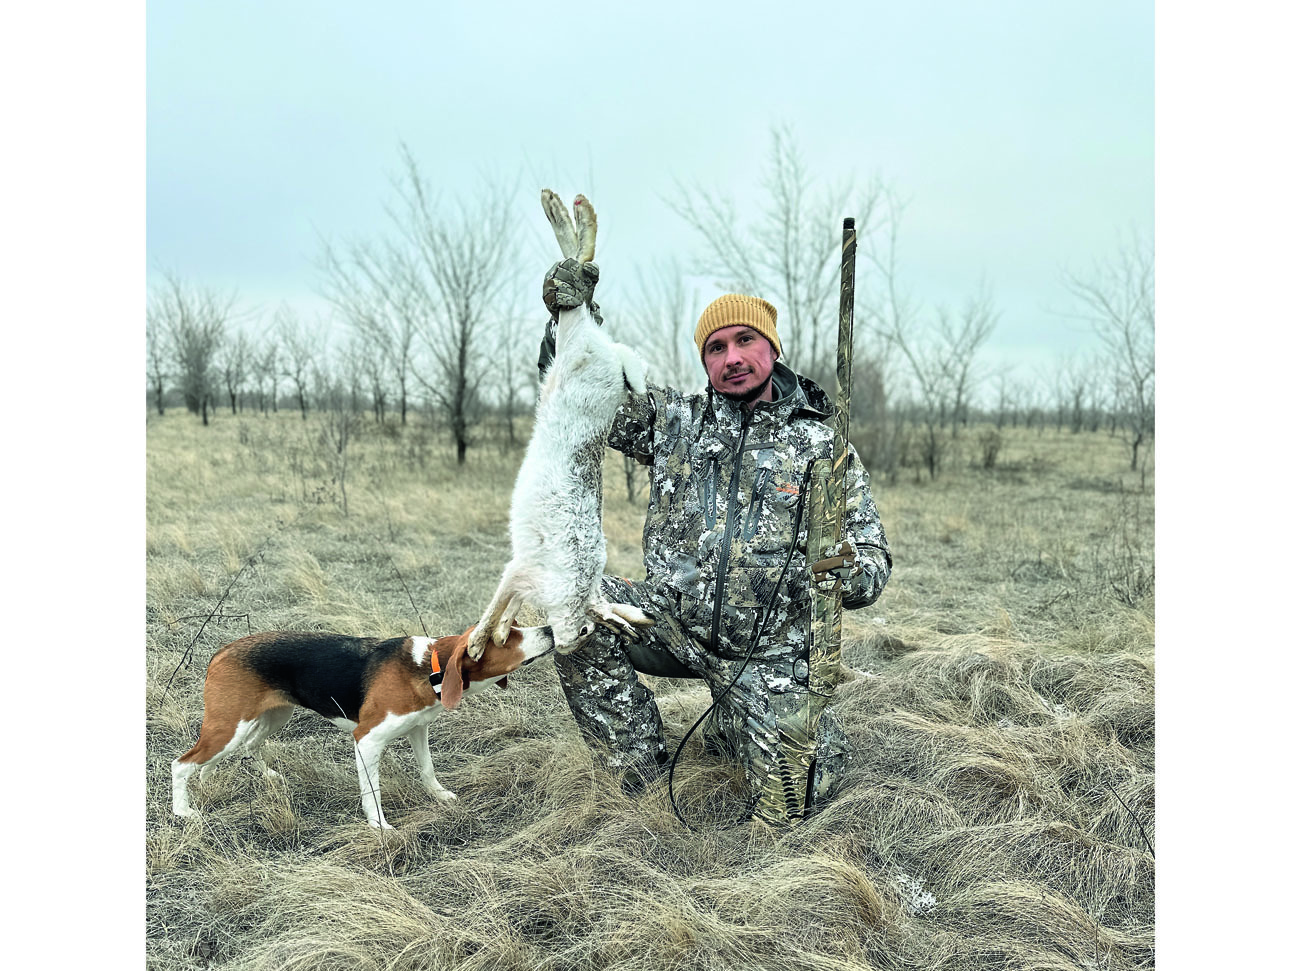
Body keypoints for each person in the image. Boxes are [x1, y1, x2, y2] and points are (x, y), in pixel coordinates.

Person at [537, 258, 892, 817]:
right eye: (716, 348)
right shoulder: (673, 421)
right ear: (704, 361)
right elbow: (578, 393)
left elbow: (873, 565)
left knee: (802, 799)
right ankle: (640, 782)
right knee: (575, 607)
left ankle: (740, 718)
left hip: (770, 653)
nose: (732, 359)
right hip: (673, 621)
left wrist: (844, 568)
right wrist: (571, 316)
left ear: (772, 347)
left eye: (744, 341)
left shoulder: (824, 448)